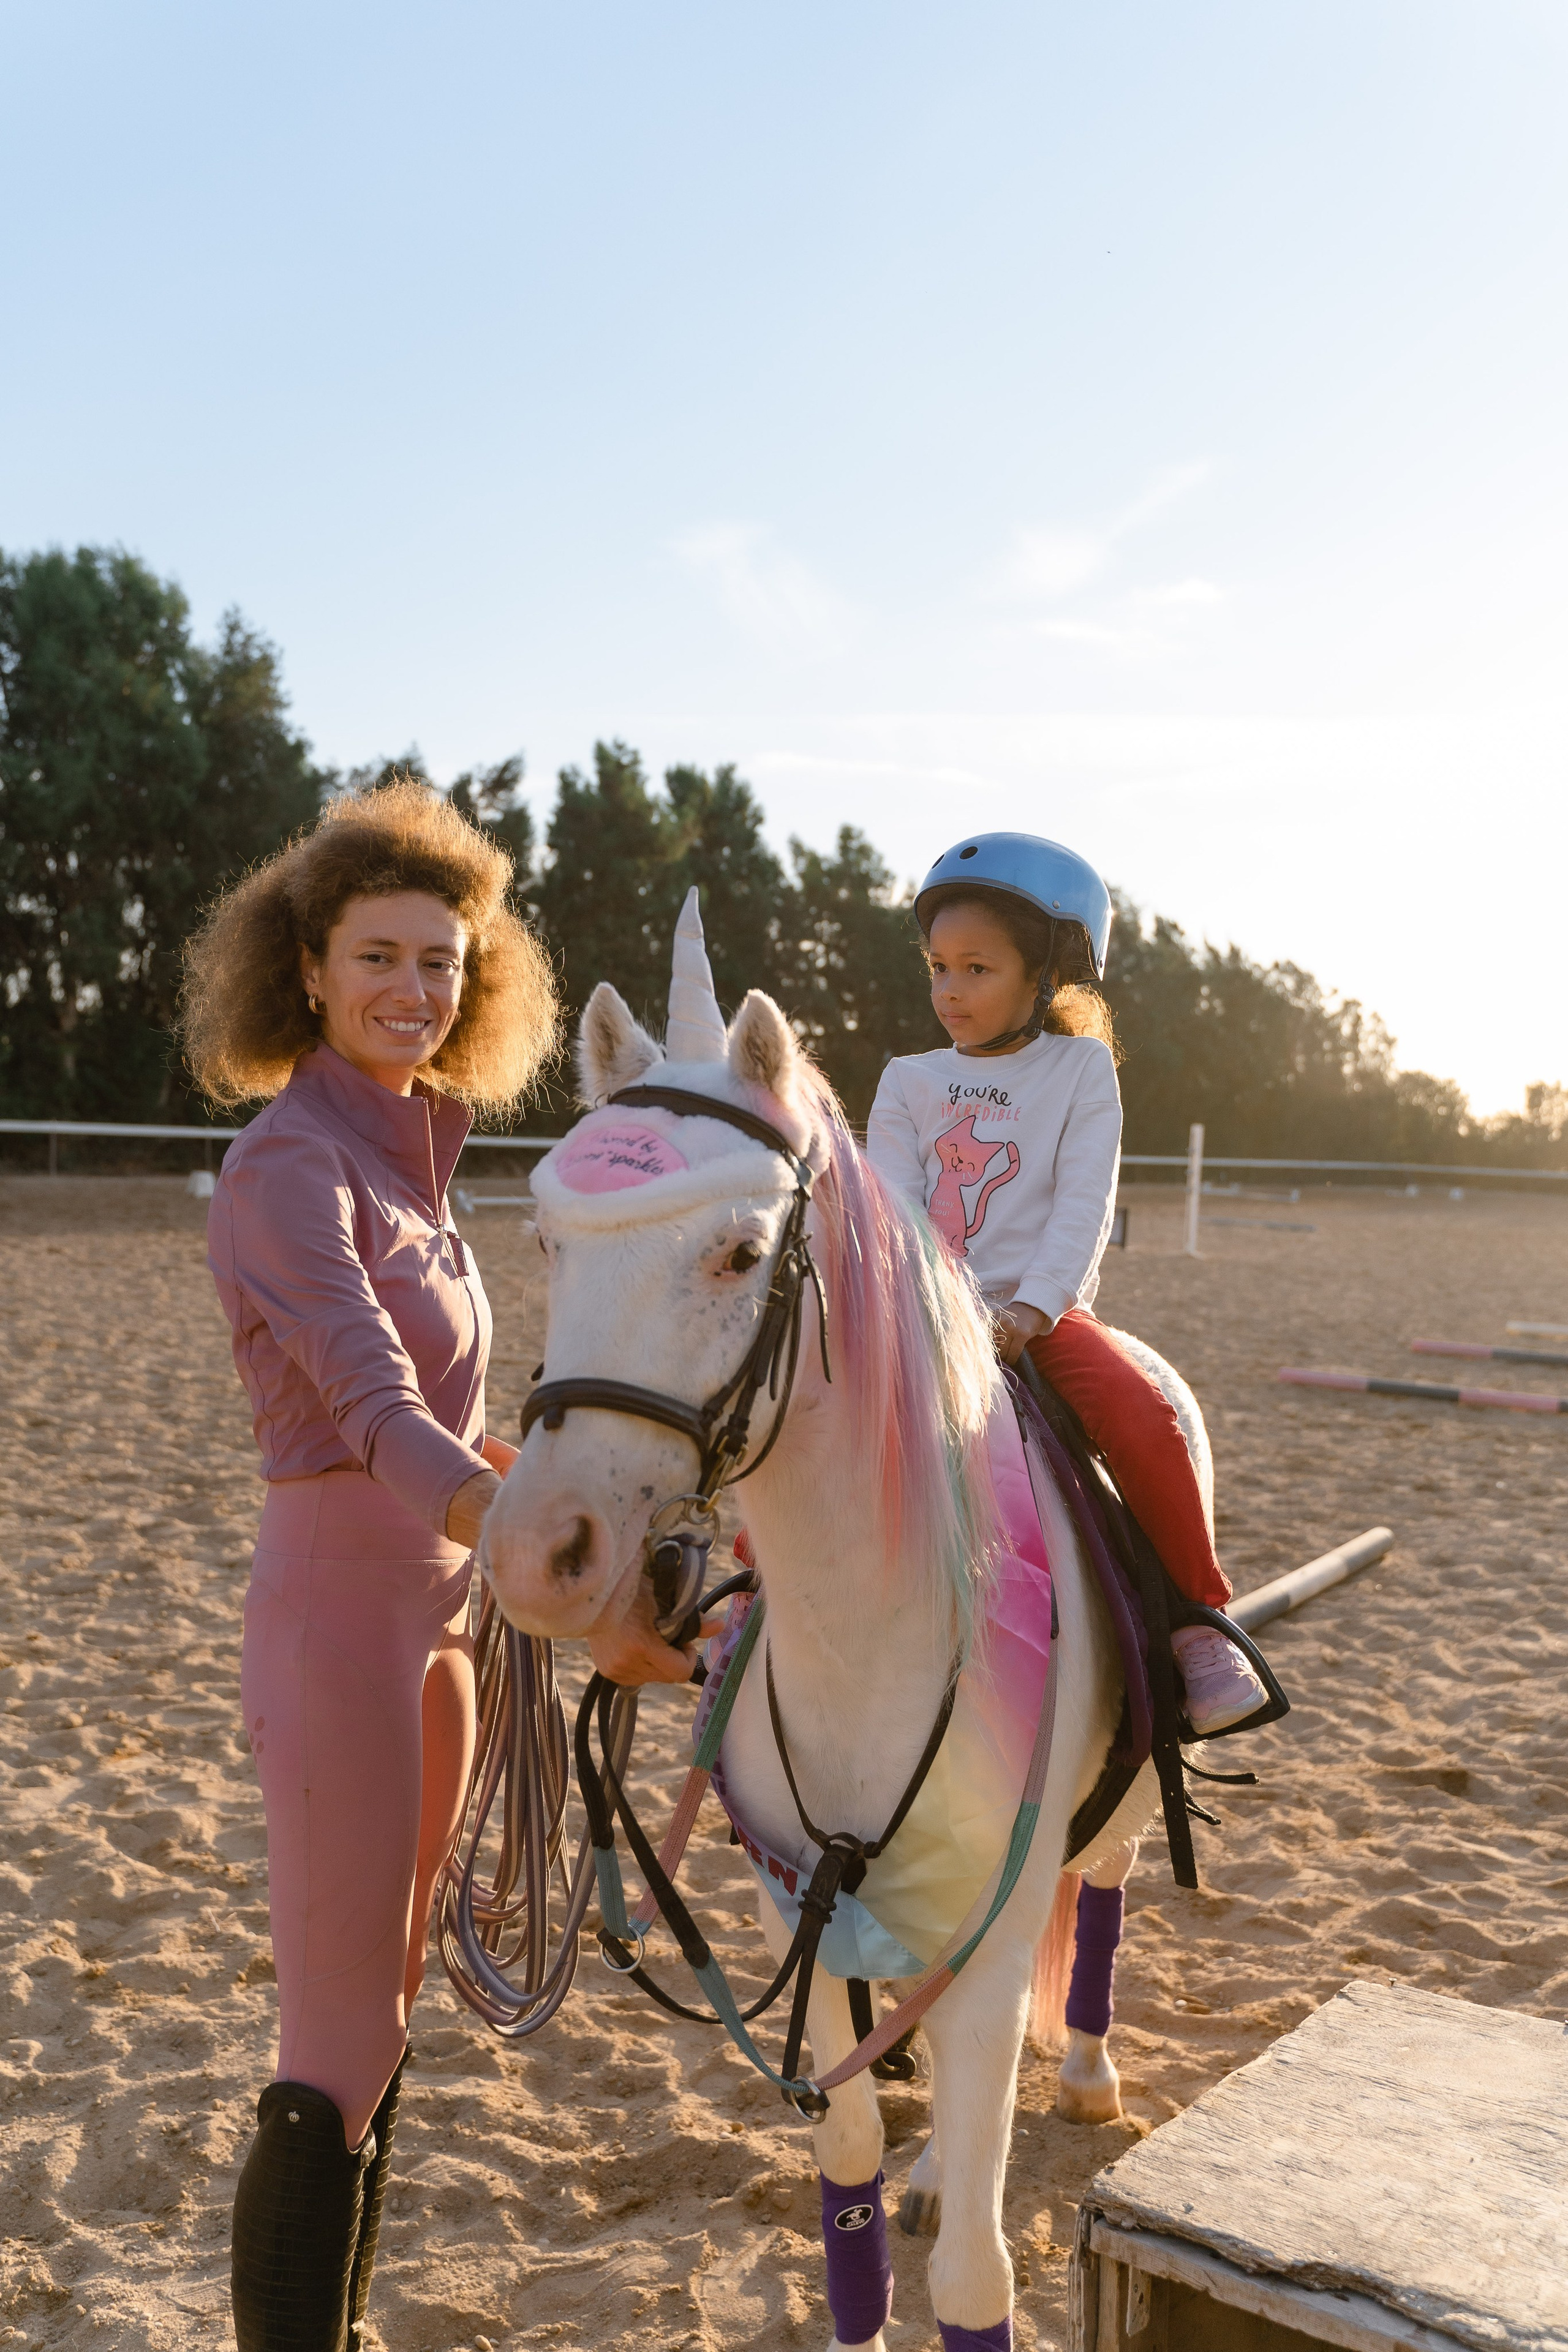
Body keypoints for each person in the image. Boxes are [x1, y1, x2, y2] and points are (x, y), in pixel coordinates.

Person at [179, 781, 573, 2351]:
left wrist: (544, 1501)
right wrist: (519, 1528)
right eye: (382, 957)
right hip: (340, 1625)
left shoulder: (420, 1166)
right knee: (332, 2041)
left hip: (444, 1628)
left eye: (443, 963)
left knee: (391, 2023)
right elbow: (371, 1401)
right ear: (310, 971)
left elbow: (457, 1429)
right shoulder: (289, 1170)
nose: (416, 990)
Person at [865, 830, 1267, 1736]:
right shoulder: (909, 1080)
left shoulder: (1080, 1070)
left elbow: (1083, 1206)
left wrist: (1026, 1311)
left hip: (1037, 1317)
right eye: (938, 967)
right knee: (820, 1412)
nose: (950, 991)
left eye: (976, 968)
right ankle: (755, 1601)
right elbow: (888, 1209)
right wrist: (930, 1314)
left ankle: (1201, 1626)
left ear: (1043, 977)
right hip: (925, 1319)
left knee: (1139, 1415)